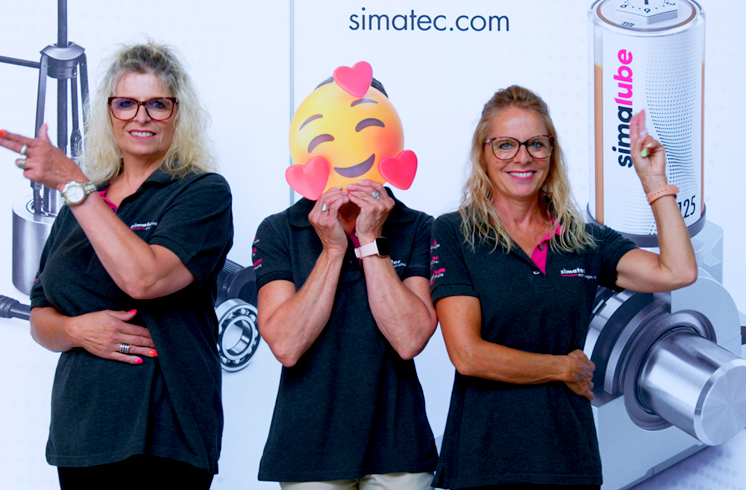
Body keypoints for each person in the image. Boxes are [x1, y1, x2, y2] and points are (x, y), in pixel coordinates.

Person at [0, 41, 232, 489]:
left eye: (157, 104)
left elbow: (144, 277)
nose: (141, 117)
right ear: (108, 112)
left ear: (178, 114)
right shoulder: (80, 204)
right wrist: (77, 331)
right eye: (126, 103)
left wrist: (71, 182)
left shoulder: (201, 193)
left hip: (165, 436)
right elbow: (41, 315)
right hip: (82, 432)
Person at [428, 85, 697, 489]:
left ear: (551, 153)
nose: (522, 157)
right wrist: (561, 367)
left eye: (536, 144)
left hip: (567, 459)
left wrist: (655, 183)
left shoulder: (585, 240)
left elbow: (677, 271)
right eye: (505, 145)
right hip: (481, 461)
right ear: (483, 154)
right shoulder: (454, 233)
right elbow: (468, 356)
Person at [252, 79, 439, 490]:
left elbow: (409, 338)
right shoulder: (279, 230)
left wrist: (371, 242)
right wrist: (333, 251)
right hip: (309, 452)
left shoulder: (419, 227)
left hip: (399, 449)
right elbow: (286, 344)